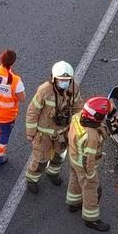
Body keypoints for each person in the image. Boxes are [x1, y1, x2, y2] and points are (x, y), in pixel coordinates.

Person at [23, 61, 82, 194]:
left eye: (67, 80)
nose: (65, 83)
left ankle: (52, 173)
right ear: (54, 78)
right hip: (44, 134)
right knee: (41, 159)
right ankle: (32, 178)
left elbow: (78, 107)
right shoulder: (44, 90)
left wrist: (78, 128)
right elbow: (33, 111)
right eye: (61, 80)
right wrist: (30, 132)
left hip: (62, 132)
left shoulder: (74, 88)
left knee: (60, 156)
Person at [66, 96, 111, 232]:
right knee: (91, 189)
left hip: (73, 156)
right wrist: (90, 176)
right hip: (83, 165)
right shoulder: (91, 136)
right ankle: (91, 219)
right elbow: (88, 160)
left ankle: (73, 203)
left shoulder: (77, 116)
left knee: (74, 180)